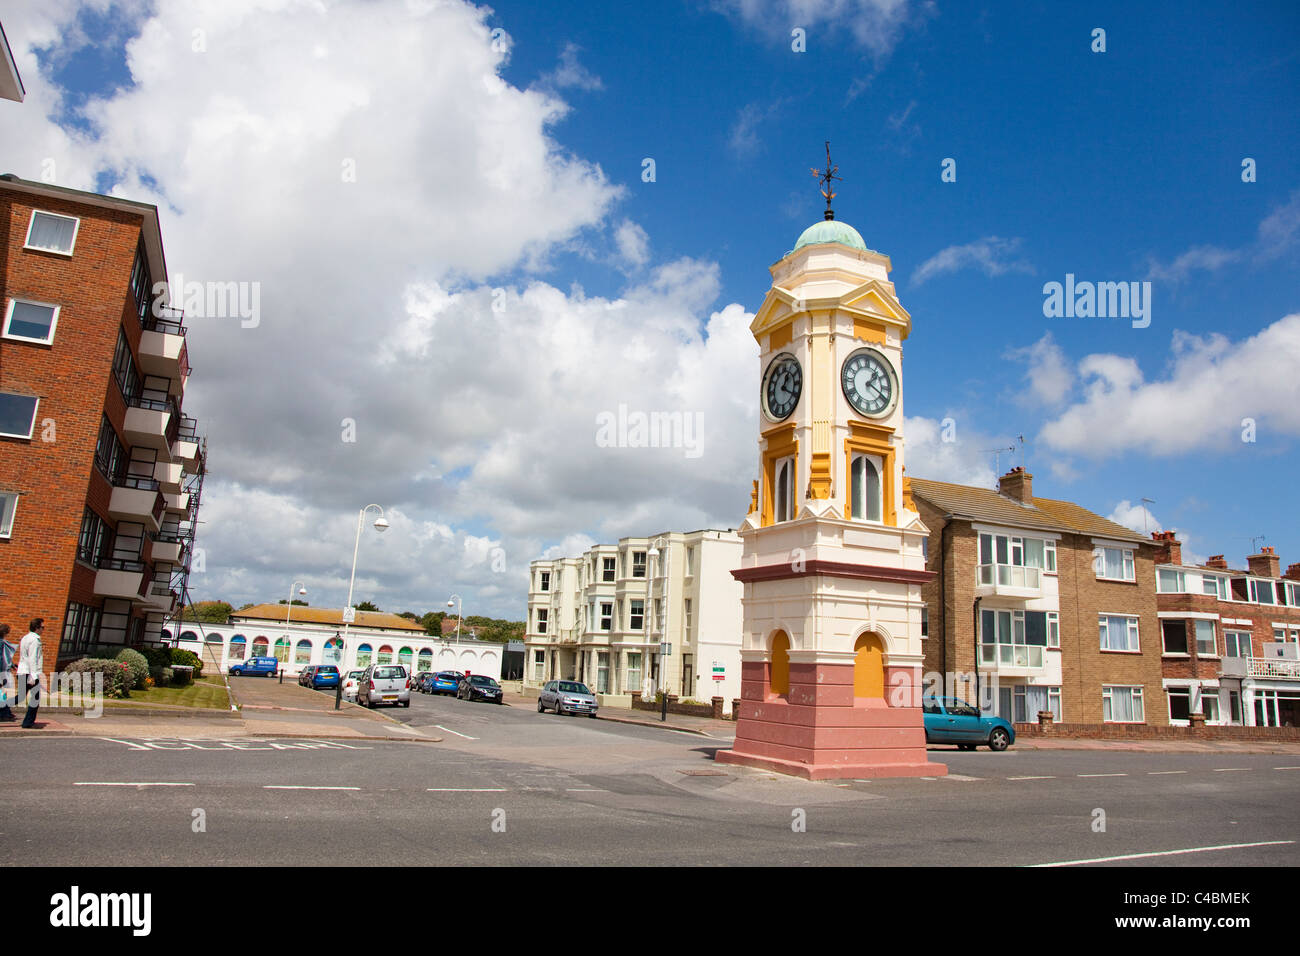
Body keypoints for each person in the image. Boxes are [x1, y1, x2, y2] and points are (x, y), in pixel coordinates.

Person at [17, 618, 44, 729]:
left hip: (22, 671)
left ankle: (2, 709)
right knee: (35, 698)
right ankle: (28, 722)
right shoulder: (35, 640)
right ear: (37, 628)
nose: (43, 629)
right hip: (30, 673)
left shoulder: (25, 637)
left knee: (20, 697)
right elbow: (33, 659)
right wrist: (33, 676)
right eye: (42, 627)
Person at [0, 625, 15, 722]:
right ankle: (5, 713)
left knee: (2, 693)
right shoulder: (2, 644)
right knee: (2, 693)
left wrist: (12, 665)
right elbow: (3, 659)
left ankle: (6, 712)